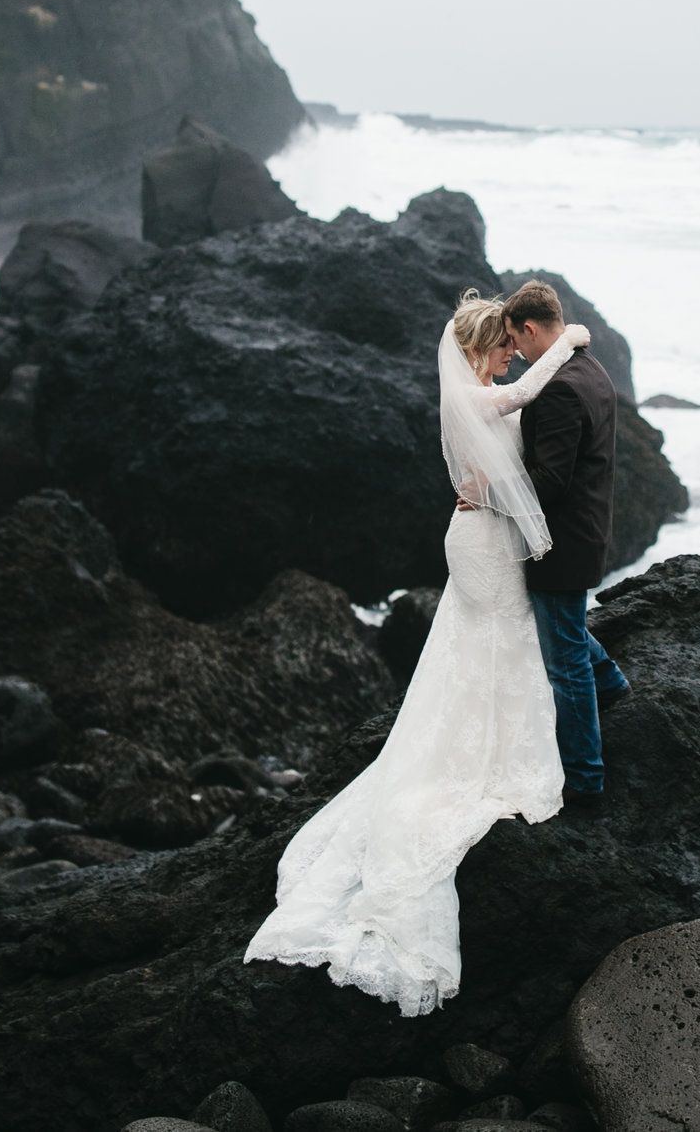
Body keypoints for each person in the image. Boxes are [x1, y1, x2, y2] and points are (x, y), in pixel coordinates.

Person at [242, 291, 591, 1016]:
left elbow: (512, 419)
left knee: (484, 645)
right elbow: (527, 392)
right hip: (480, 541)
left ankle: (484, 741)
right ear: (478, 347)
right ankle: (489, 756)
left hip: (478, 534)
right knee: (499, 639)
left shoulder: (474, 389)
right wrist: (571, 340)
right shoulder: (473, 392)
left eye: (508, 349)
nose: (507, 358)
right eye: (500, 347)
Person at [501, 279, 630, 805]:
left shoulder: (555, 387)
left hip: (561, 543)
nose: (515, 352)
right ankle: (614, 683)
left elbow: (549, 480)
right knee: (568, 631)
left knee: (564, 662)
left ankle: (585, 778)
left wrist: (492, 487)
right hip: (588, 531)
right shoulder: (592, 370)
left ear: (530, 329)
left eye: (515, 339)